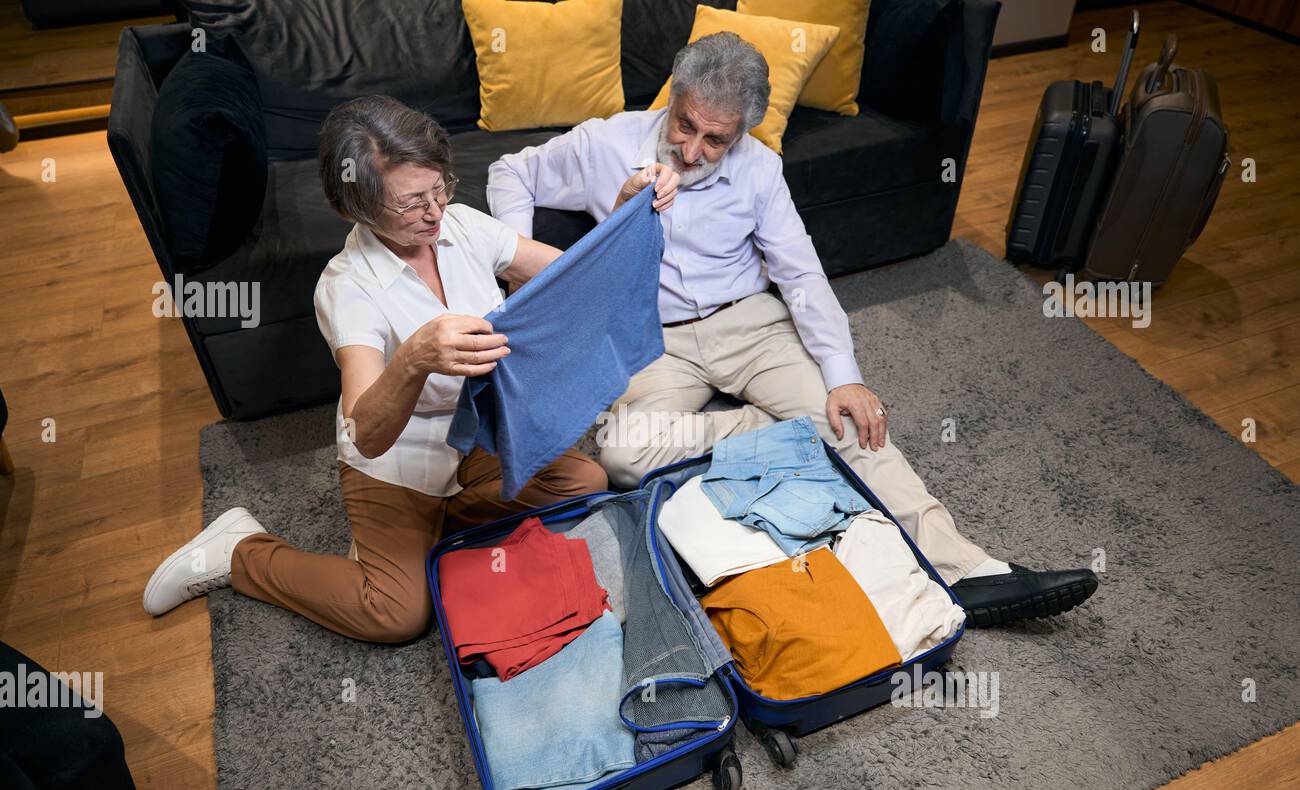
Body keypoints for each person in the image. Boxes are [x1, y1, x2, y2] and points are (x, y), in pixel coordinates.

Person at [487, 32, 1098, 627]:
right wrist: (524, 273)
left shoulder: (761, 169)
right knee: (621, 454)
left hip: (753, 325)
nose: (693, 150)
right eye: (685, 125)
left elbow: (801, 275)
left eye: (716, 140)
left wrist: (845, 377)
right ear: (672, 98)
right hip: (657, 340)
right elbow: (511, 172)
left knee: (852, 421)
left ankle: (969, 570)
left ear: (743, 132)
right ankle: (783, 429)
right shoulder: (605, 144)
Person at [143, 95, 624, 642]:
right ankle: (239, 553)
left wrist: (625, 208)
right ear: (357, 208)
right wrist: (415, 357)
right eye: (411, 203)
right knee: (396, 615)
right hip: (399, 457)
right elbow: (365, 433)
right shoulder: (347, 286)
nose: (435, 211)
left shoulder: (463, 226)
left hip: (477, 434)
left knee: (585, 484)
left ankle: (429, 532)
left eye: (440, 187)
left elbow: (573, 276)